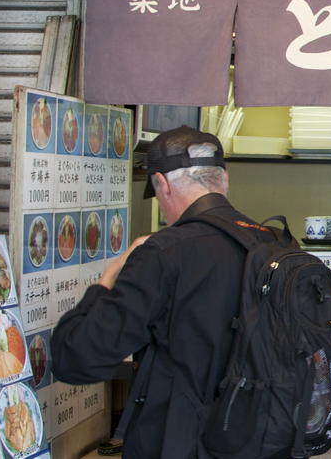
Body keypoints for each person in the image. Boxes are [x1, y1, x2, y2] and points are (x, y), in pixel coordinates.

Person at [51, 127, 251, 459]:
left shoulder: (163, 253)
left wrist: (109, 277)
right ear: (225, 180)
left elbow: (79, 358)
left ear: (162, 183)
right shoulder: (275, 244)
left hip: (180, 442)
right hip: (260, 439)